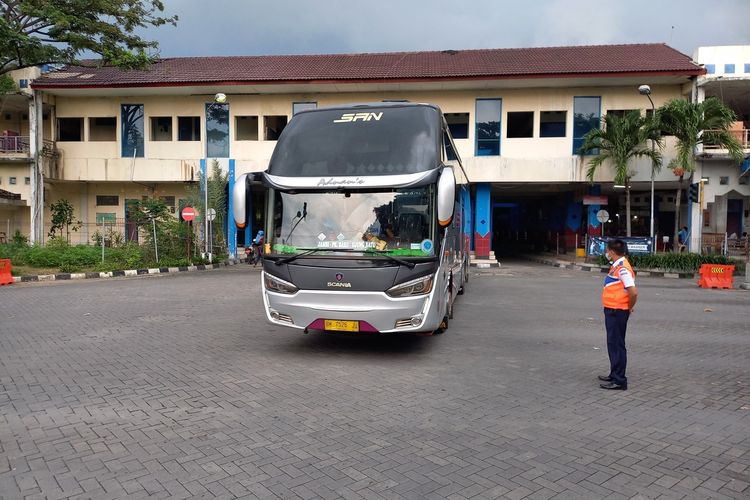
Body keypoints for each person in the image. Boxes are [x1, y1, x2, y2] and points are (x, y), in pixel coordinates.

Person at [598, 239, 638, 391]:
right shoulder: (618, 266)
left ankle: (620, 380)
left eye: (607, 251)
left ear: (612, 252)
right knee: (613, 343)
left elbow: (633, 291)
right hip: (613, 310)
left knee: (617, 345)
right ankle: (614, 373)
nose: (607, 253)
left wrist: (629, 306)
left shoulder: (622, 269)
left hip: (617, 311)